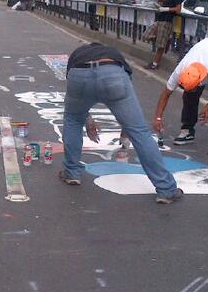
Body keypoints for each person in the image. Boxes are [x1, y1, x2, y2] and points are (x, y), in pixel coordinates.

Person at [60, 42, 183, 204]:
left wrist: (87, 119)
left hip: (79, 75)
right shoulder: (114, 54)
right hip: (113, 74)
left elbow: (74, 97)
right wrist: (127, 127)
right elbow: (127, 91)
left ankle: (71, 172)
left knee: (73, 120)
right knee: (139, 131)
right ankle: (166, 189)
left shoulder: (77, 54)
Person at [153, 38, 208, 150]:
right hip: (203, 49)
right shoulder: (180, 70)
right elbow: (166, 93)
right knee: (189, 96)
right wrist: (158, 118)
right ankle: (187, 130)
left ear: (200, 81)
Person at [142, 0, 182, 70]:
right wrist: (159, 6)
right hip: (159, 20)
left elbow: (178, 9)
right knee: (146, 35)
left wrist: (166, 9)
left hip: (166, 22)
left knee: (160, 45)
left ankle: (155, 64)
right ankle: (167, 40)